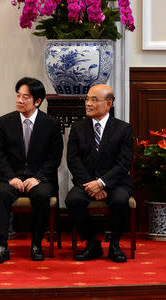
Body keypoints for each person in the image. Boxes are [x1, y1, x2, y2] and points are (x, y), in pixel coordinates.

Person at [0, 77, 63, 263]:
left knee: (41, 196)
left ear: (37, 101)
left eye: (26, 97)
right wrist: (10, 177)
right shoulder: (6, 121)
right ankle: (2, 245)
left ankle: (37, 244)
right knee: (1, 194)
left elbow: (54, 158)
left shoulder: (51, 124)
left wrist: (38, 178)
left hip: (39, 179)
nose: (20, 101)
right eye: (18, 96)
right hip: (13, 178)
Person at [65, 84, 133, 263]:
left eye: (94, 100)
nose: (88, 103)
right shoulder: (77, 127)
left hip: (115, 182)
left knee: (120, 200)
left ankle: (115, 245)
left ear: (109, 104)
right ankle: (92, 243)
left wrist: (102, 183)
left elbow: (123, 163)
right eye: (87, 99)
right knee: (73, 200)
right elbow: (73, 160)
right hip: (86, 181)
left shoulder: (123, 129)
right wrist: (91, 185)